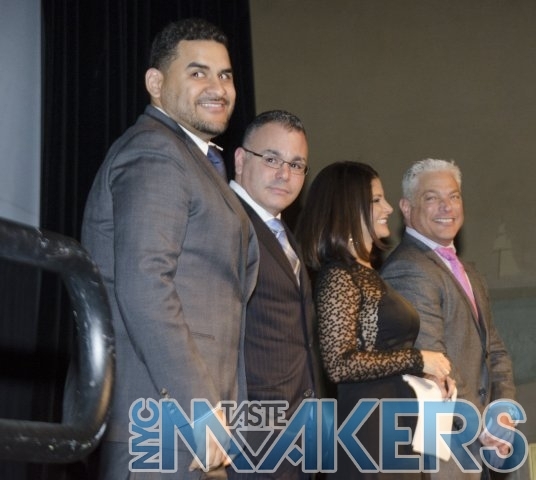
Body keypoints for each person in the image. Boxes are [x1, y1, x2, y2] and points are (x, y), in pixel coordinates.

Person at [81, 18, 259, 479]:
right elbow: (145, 285)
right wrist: (198, 408)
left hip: (195, 424)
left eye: (225, 75)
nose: (218, 87)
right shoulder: (155, 152)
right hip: (163, 419)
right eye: (198, 73)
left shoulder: (195, 159)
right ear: (156, 84)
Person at [295, 161, 453, 479]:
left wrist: (422, 371)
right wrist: (418, 358)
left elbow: (373, 351)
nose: (389, 208)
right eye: (377, 200)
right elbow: (340, 364)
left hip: (392, 428)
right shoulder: (339, 275)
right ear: (348, 207)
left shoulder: (364, 273)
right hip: (370, 435)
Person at [381, 158, 516, 480]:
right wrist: (481, 425)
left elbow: (494, 350)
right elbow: (434, 362)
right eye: (432, 197)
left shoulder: (468, 271)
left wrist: (503, 413)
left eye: (454, 196)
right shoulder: (408, 268)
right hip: (445, 447)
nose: (447, 207)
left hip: (477, 442)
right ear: (406, 207)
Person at [228, 110, 323, 480]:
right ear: (240, 159)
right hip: (250, 436)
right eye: (271, 159)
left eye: (296, 165)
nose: (285, 174)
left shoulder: (283, 234)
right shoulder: (226, 224)